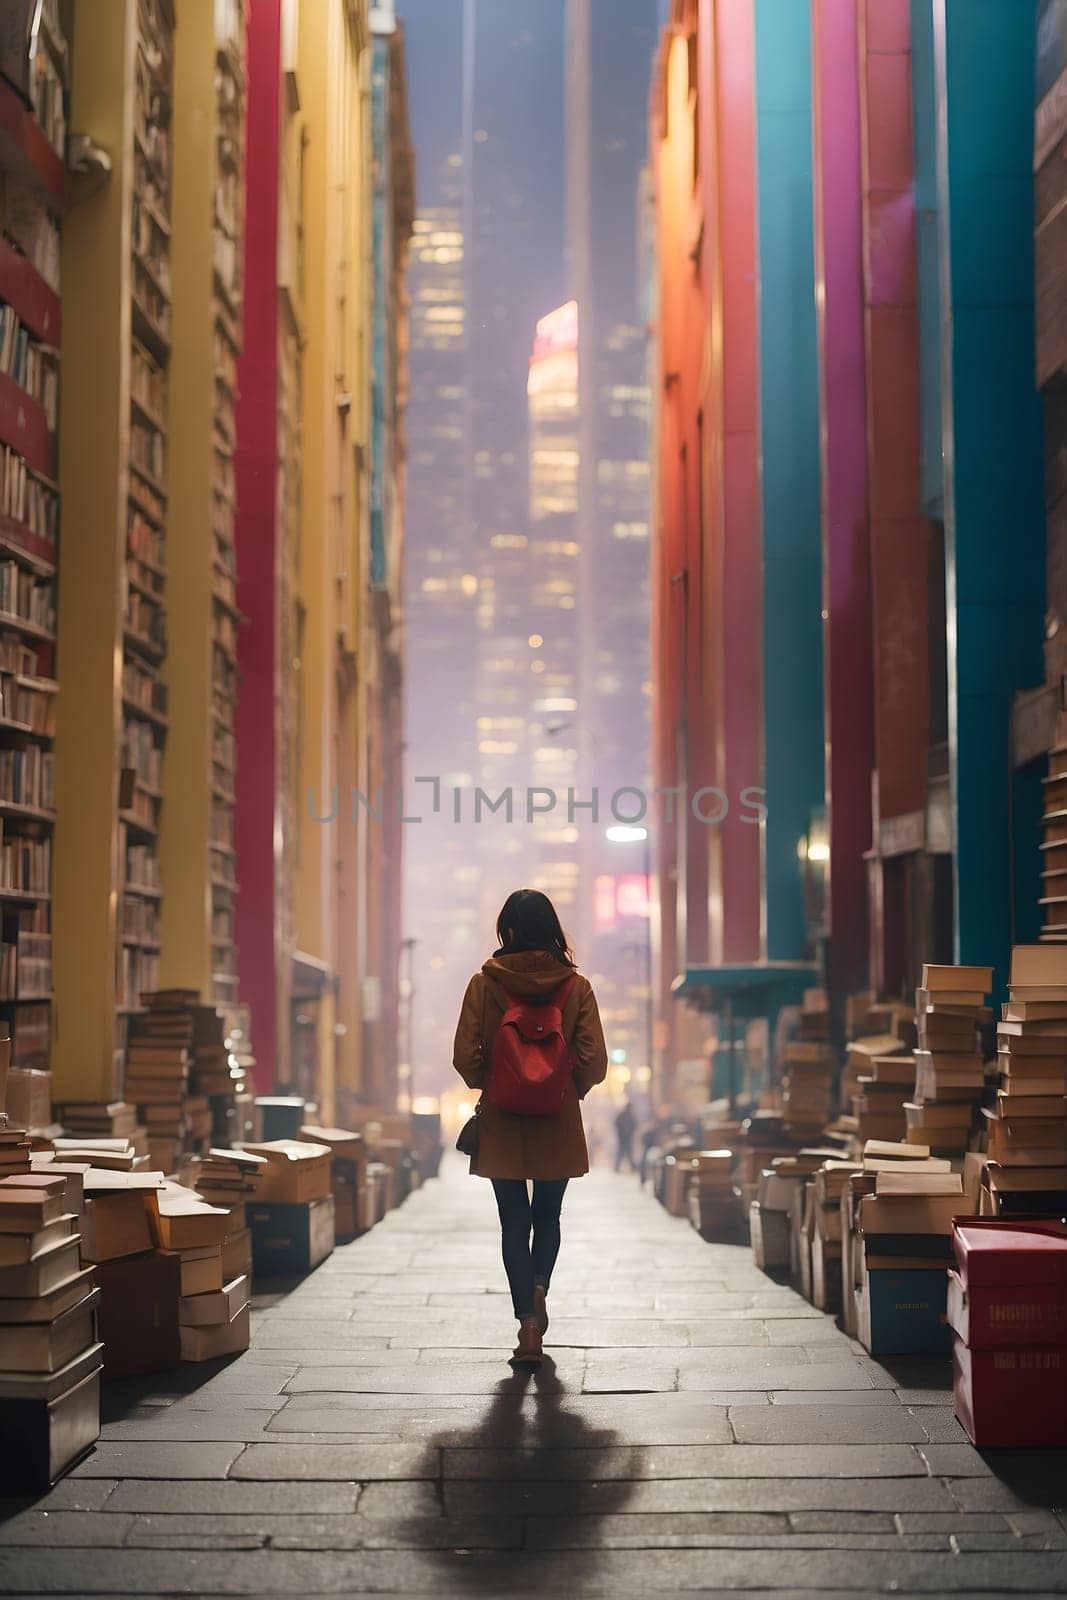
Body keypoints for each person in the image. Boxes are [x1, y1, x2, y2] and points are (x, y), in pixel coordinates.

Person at [452, 888, 608, 1367]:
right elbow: (595, 1061)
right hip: (557, 1118)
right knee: (550, 1216)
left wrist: (494, 1083)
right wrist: (566, 1089)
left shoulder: (485, 983)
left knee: (512, 1222)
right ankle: (540, 1287)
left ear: (510, 931)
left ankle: (527, 1326)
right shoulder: (575, 988)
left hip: (502, 1119)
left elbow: (464, 1056)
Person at [614, 1098, 637, 1172]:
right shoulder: (622, 1115)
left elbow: (634, 1125)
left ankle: (631, 1167)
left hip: (628, 1137)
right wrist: (621, 1131)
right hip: (622, 1136)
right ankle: (617, 1166)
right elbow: (616, 1123)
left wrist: (630, 1131)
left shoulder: (631, 1116)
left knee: (628, 1152)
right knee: (622, 1152)